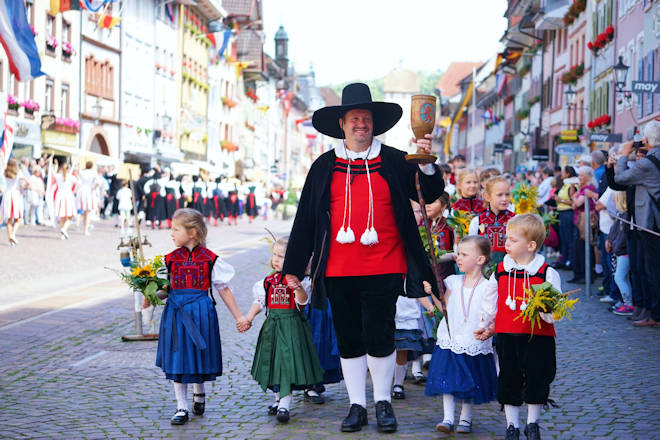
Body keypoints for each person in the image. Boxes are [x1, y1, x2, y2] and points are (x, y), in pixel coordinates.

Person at [282, 83, 444, 433]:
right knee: (349, 337)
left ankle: (383, 402)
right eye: (354, 118)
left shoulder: (397, 160)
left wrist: (427, 162)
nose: (361, 124)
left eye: (366, 118)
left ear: (375, 123)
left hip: (385, 265)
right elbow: (306, 220)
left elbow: (429, 192)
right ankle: (357, 405)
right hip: (338, 269)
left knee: (381, 334)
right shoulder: (324, 165)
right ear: (342, 123)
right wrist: (293, 269)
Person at [155, 208, 249, 425]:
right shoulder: (168, 260)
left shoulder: (210, 259)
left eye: (175, 229)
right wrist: (150, 292)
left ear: (192, 232)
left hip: (201, 312)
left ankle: (199, 393)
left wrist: (238, 317)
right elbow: (164, 290)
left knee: (197, 354)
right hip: (176, 314)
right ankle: (181, 406)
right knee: (178, 356)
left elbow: (223, 289)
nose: (171, 233)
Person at [474, 214, 563, 440]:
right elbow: (490, 300)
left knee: (537, 378)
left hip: (538, 336)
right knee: (509, 378)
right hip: (507, 334)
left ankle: (532, 424)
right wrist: (485, 324)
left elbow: (556, 309)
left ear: (531, 245)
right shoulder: (502, 270)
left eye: (513, 240)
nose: (507, 244)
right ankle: (511, 425)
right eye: (507, 238)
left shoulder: (546, 273)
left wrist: (546, 309)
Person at [244, 237, 324, 424]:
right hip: (272, 326)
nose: (276, 259)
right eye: (275, 255)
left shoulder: (299, 281)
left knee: (287, 364)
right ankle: (278, 399)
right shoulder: (267, 281)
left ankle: (285, 405)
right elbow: (260, 302)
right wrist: (248, 317)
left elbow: (303, 302)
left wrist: (297, 289)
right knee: (274, 363)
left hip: (291, 328)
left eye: (281, 256)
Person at [424, 236, 498, 435]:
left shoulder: (489, 286)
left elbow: (491, 313)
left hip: (473, 340)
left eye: (464, 254)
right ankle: (448, 418)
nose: (458, 257)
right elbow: (443, 310)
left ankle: (465, 418)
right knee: (448, 379)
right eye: (458, 253)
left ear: (480, 260)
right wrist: (432, 294)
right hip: (451, 339)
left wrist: (488, 329)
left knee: (470, 380)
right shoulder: (452, 282)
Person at [614, 121, 660, 327]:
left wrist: (624, 154)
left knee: (653, 270)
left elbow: (621, 178)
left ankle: (657, 315)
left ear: (649, 140)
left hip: (651, 223)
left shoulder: (647, 163)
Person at [469, 176, 515, 269]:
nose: (504, 199)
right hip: (483, 271)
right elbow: (472, 248)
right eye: (500, 195)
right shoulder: (477, 221)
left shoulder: (515, 220)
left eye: (507, 194)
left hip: (509, 269)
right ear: (487, 197)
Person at [568, 166, 597, 284]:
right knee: (577, 247)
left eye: (581, 175)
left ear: (589, 176)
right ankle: (579, 273)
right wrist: (573, 188)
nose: (579, 177)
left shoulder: (589, 188)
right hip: (579, 219)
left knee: (583, 247)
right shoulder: (583, 188)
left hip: (584, 220)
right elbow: (573, 199)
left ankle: (585, 275)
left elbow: (576, 203)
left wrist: (575, 199)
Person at [607, 191, 633, 316]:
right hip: (619, 250)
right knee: (623, 277)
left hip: (623, 251)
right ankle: (627, 302)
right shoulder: (620, 214)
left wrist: (616, 246)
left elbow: (622, 236)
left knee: (619, 277)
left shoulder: (625, 216)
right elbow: (614, 231)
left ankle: (628, 303)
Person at [553, 166, 578, 269]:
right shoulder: (565, 185)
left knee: (569, 238)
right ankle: (564, 260)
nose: (561, 174)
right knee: (563, 239)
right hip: (562, 213)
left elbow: (574, 201)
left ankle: (571, 261)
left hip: (568, 213)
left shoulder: (572, 185)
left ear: (567, 174)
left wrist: (560, 200)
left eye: (563, 172)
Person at [0, 159, 28, 246]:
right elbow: (28, 182)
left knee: (8, 219)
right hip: (16, 195)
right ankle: (13, 234)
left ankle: (10, 238)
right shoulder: (18, 173)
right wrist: (22, 187)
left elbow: (4, 164)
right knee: (18, 218)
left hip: (7, 195)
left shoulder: (5, 172)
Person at [54, 163, 77, 239]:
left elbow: (53, 173)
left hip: (59, 195)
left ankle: (62, 234)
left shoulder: (58, 176)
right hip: (68, 196)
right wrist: (74, 191)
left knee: (62, 216)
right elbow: (78, 183)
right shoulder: (71, 177)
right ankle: (64, 229)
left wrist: (55, 164)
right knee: (70, 216)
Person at [77, 161, 99, 235]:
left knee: (84, 212)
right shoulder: (93, 173)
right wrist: (94, 188)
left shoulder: (82, 172)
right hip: (89, 191)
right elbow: (98, 182)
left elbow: (78, 174)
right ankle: (86, 229)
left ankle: (85, 228)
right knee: (88, 212)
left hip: (82, 190)